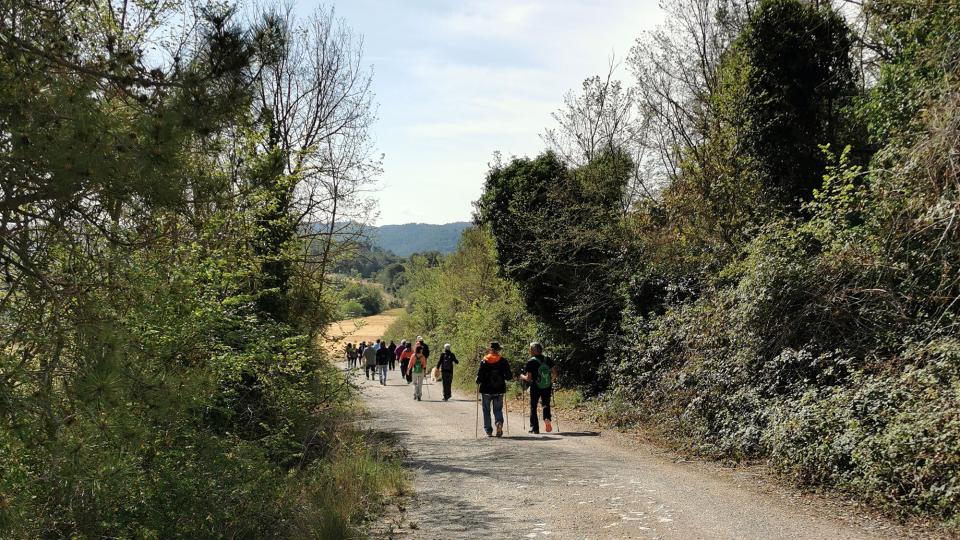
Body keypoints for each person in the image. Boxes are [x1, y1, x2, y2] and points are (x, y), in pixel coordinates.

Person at [519, 342, 557, 434]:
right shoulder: (547, 359)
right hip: (547, 386)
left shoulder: (531, 362)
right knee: (546, 404)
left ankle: (535, 428)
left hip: (535, 386)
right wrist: (550, 381)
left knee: (533, 406)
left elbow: (528, 378)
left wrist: (521, 376)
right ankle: (547, 418)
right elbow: (555, 373)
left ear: (532, 350)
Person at [476, 341, 512, 437]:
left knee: (486, 410)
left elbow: (479, 376)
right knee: (498, 409)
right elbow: (509, 376)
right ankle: (498, 423)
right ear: (498, 350)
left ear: (490, 349)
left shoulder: (484, 361)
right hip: (499, 389)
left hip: (486, 390)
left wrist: (478, 380)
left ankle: (488, 430)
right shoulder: (503, 361)